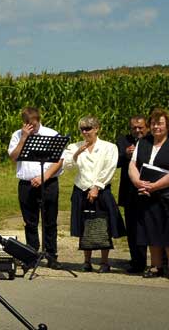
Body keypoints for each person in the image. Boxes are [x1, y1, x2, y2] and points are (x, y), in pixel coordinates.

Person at [60, 116, 126, 273]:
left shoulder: (109, 147)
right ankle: (86, 261)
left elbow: (109, 168)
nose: (84, 132)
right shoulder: (73, 146)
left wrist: (97, 186)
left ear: (97, 128)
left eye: (88, 129)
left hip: (101, 190)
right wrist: (76, 154)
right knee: (85, 226)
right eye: (82, 129)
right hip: (81, 189)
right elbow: (67, 167)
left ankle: (104, 262)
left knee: (103, 226)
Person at [7, 107, 63, 269]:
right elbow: (13, 157)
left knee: (50, 221)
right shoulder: (17, 135)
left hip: (48, 183)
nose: (33, 128)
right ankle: (31, 255)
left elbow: (59, 160)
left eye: (35, 125)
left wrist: (43, 177)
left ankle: (51, 255)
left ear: (39, 120)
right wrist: (24, 138)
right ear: (24, 124)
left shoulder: (52, 134)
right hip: (26, 184)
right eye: (29, 126)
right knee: (30, 222)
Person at [129, 108, 169, 279]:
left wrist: (155, 186)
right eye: (153, 124)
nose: (156, 127)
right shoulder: (143, 142)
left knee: (167, 231)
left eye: (159, 123)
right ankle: (156, 265)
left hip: (166, 194)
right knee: (152, 230)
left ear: (167, 125)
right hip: (146, 194)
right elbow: (132, 164)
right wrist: (138, 182)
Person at [117, 115, 150, 273]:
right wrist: (125, 154)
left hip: (151, 190)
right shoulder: (123, 140)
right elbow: (115, 162)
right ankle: (137, 262)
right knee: (133, 228)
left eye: (141, 128)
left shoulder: (152, 140)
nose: (137, 131)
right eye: (134, 128)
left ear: (147, 127)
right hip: (130, 192)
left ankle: (162, 262)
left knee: (154, 226)